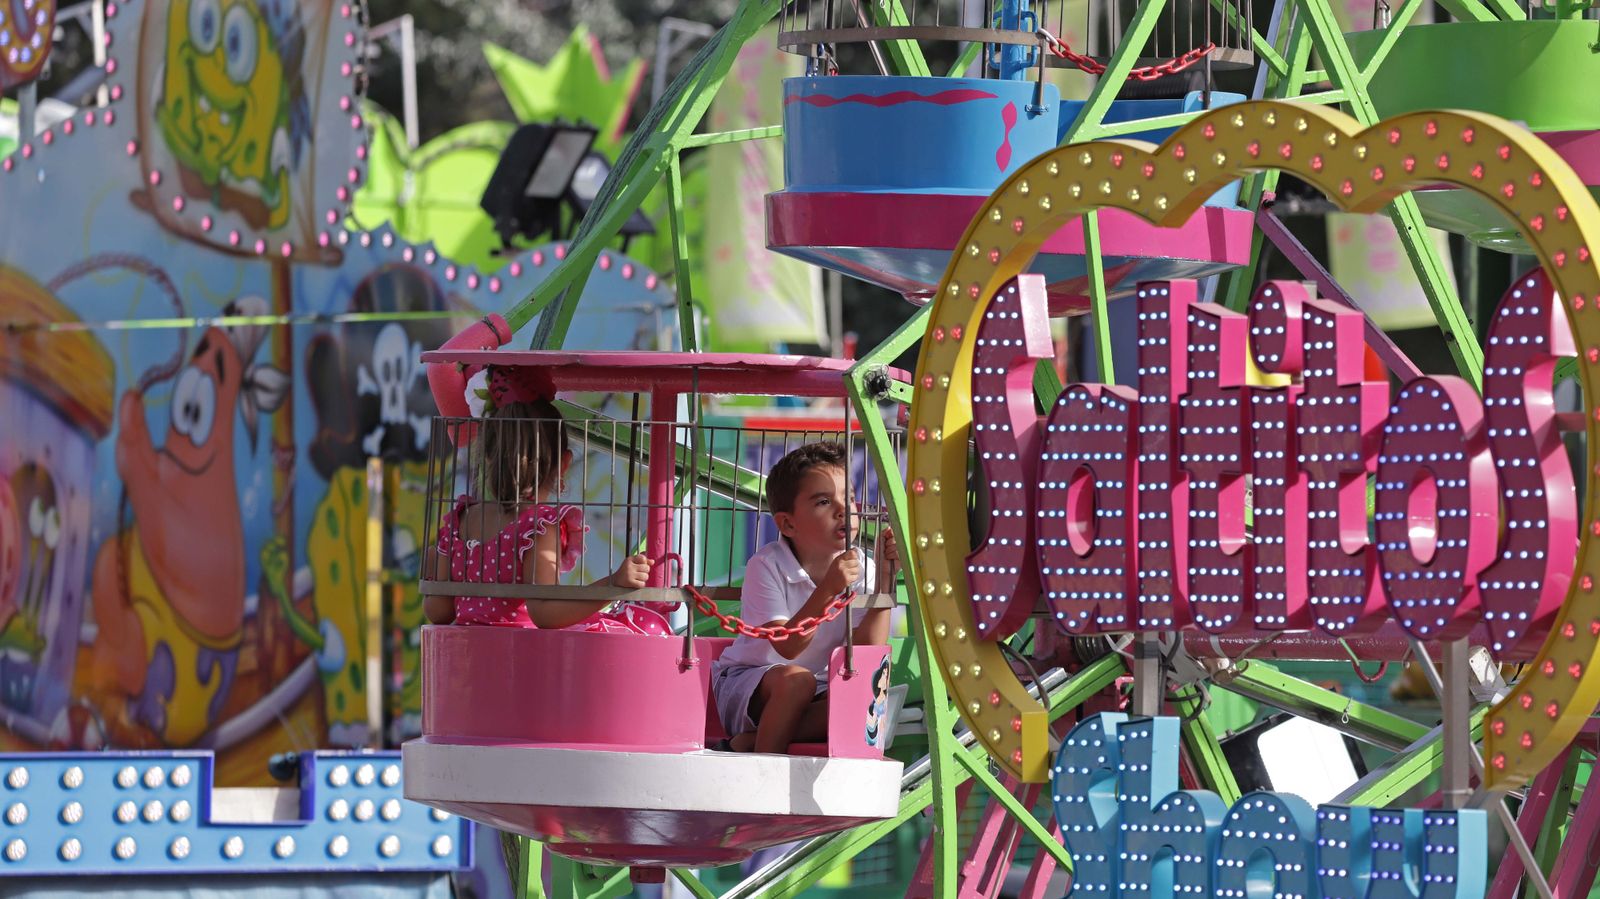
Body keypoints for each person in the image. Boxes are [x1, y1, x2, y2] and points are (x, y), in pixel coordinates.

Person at [426, 365, 670, 635]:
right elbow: (544, 612)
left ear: (487, 456)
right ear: (564, 463)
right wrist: (614, 584)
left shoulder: (462, 518)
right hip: (520, 659)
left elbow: (438, 610)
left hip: (467, 656)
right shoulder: (538, 526)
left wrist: (432, 569)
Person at [711, 442, 899, 753]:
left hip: (818, 691)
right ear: (787, 523)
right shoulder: (767, 565)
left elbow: (868, 649)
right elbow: (787, 645)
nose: (844, 510)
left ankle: (751, 744)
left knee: (861, 707)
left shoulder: (863, 568)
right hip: (751, 687)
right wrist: (828, 588)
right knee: (798, 681)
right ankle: (764, 772)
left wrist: (885, 585)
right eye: (824, 501)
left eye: (849, 498)